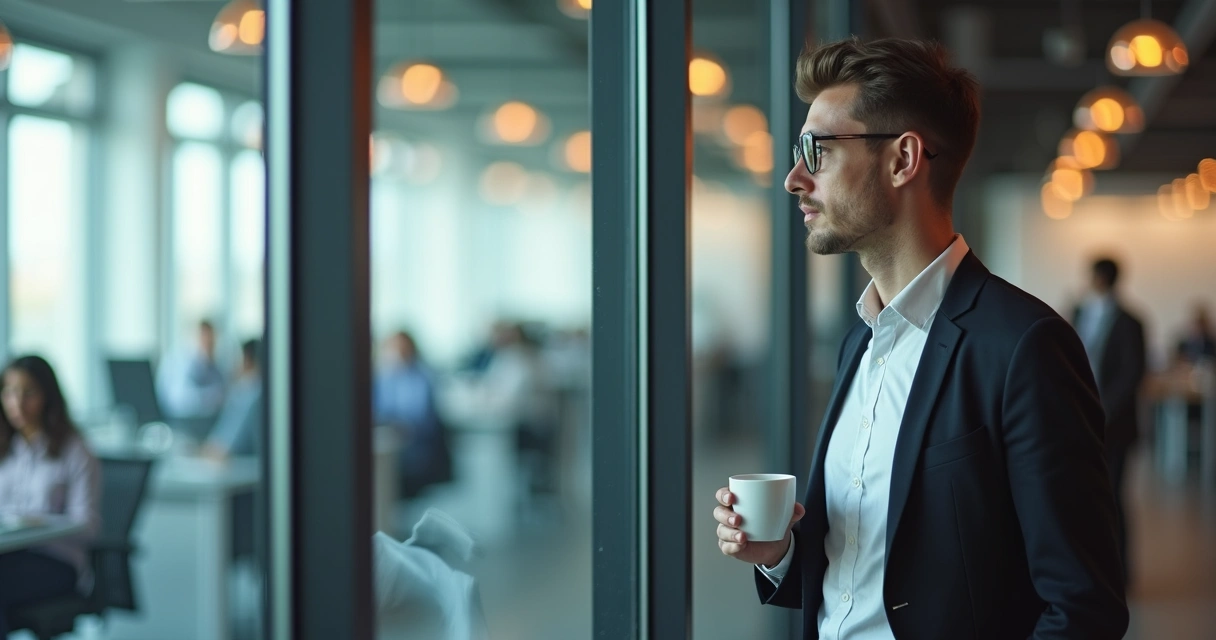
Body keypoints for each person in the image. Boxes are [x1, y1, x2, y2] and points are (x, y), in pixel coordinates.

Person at [712, 37, 1127, 639]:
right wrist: (778, 553)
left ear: (903, 159)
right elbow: (862, 572)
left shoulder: (1024, 347)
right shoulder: (859, 343)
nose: (793, 178)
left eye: (816, 151)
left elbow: (1083, 608)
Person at [0, 356, 101, 637]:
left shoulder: (75, 450)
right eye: (9, 392)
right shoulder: (6, 447)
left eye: (28, 392)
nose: (17, 403)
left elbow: (88, 525)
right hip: (9, 556)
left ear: (48, 396)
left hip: (56, 562)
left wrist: (39, 523)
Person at [1073, 257, 1147, 589]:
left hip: (1115, 426)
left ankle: (1120, 573)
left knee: (1113, 497)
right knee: (1081, 496)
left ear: (1101, 278)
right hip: (1080, 422)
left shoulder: (1131, 322)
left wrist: (1103, 410)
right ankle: (1091, 569)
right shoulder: (1079, 312)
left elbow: (1132, 375)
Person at [373, 331, 446, 497]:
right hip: (389, 440)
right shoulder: (384, 377)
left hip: (415, 449)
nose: (396, 353)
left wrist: (399, 427)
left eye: (401, 348)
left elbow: (421, 419)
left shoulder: (422, 377)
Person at [201, 338, 264, 461]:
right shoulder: (256, 391)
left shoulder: (248, 393)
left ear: (247, 361)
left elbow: (221, 451)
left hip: (239, 465)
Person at [157, 319, 227, 419]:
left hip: (203, 419)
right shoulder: (181, 361)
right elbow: (179, 401)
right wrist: (211, 398)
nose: (210, 346)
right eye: (206, 341)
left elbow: (222, 392)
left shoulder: (212, 366)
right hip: (178, 420)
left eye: (212, 342)